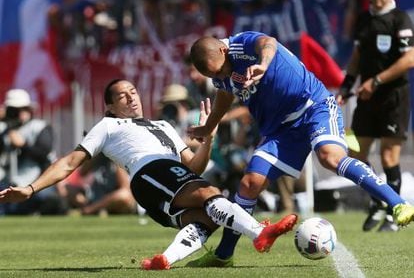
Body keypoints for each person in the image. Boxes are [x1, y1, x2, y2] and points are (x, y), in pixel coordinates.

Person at [0, 79, 298, 270]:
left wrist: (209, 137)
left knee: (207, 218)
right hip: (149, 172)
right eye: (122, 96)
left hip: (167, 178)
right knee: (212, 195)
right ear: (111, 107)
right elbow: (69, 162)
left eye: (133, 92)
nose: (131, 98)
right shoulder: (108, 126)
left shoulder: (165, 126)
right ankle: (260, 234)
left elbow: (193, 168)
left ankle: (166, 259)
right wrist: (30, 188)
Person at [186, 30, 414, 267]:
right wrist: (209, 126)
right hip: (280, 130)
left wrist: (263, 64)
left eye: (219, 68)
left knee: (329, 158)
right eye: (214, 74)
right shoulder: (220, 74)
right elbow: (225, 94)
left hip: (313, 107)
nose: (221, 74)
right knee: (250, 183)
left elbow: (268, 42)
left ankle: (398, 204)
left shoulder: (241, 44)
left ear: (223, 50)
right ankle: (224, 254)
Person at [336, 0, 414, 232]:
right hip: (366, 99)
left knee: (389, 157)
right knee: (356, 154)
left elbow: (409, 60)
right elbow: (357, 56)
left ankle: (393, 213)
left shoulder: (400, 19)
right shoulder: (363, 20)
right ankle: (379, 201)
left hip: (393, 98)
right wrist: (346, 87)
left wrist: (376, 81)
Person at [0, 89, 65, 215]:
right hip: (8, 182)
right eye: (13, 110)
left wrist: (23, 145)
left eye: (23, 109)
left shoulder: (39, 127)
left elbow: (43, 153)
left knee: (48, 200)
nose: (19, 113)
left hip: (36, 182)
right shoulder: (4, 129)